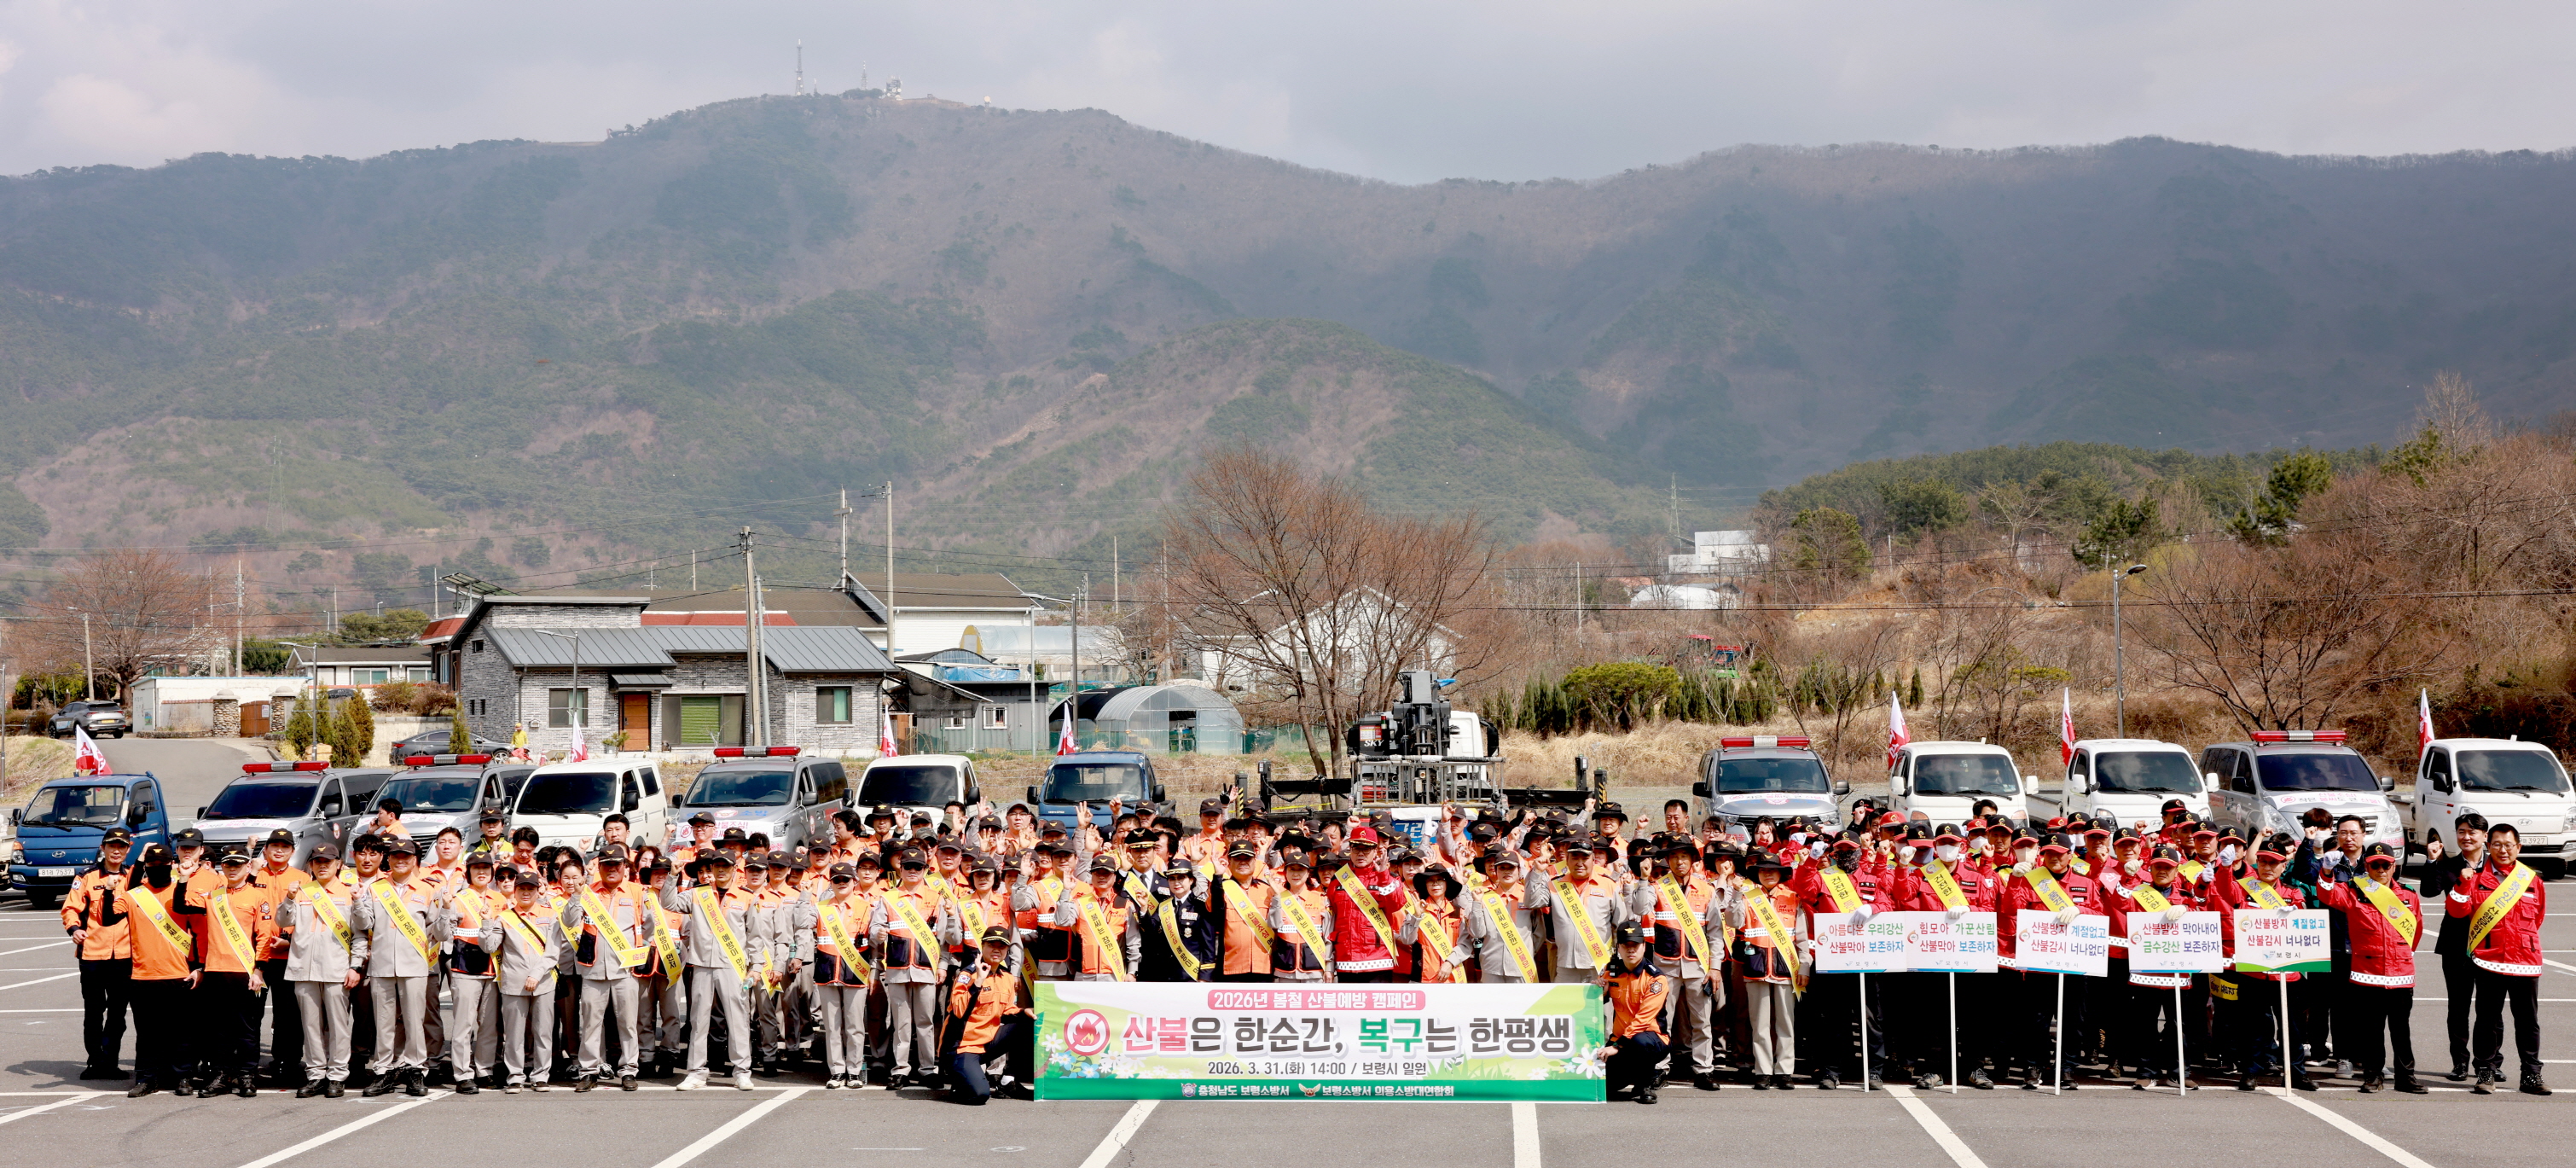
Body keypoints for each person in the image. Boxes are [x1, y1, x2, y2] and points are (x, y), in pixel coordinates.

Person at [2314, 843, 2426, 1093]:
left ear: (2393, 866)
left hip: (2400, 975)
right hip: (2368, 974)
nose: (2381, 869)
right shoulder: (2355, 893)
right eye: (2375, 865)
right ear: (2367, 867)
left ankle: (2406, 1077)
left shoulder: (2408, 895)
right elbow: (2327, 894)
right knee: (2371, 1031)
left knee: (2401, 1031)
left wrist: (2402, 956)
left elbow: (2416, 932)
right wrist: (2327, 871)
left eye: (2386, 864)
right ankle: (2373, 1076)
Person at [2448, 822, 2549, 1095]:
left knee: (2528, 1021)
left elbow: (2536, 919)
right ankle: (2485, 1072)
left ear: (2519, 847)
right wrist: (2462, 882)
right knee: (2487, 1020)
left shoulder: (2531, 880)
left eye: (2508, 845)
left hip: (2526, 961)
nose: (2503, 850)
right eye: (2497, 844)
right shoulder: (2476, 877)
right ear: (2488, 846)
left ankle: (2531, 1075)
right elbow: (2458, 912)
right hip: (2489, 958)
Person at [2212, 833, 2314, 1092]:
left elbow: (2303, 929)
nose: (2268, 867)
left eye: (2274, 862)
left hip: (2287, 974)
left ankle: (2296, 1072)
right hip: (2254, 973)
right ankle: (2251, 1071)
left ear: (2283, 866)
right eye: (2264, 861)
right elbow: (2225, 891)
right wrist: (2224, 869)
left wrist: (2296, 915)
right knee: (2253, 1027)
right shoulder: (2245, 886)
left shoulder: (2293, 893)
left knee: (2292, 1028)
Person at [176, 847, 278, 1097]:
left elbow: (264, 936)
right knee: (219, 1028)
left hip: (244, 973)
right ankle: (221, 1074)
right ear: (223, 867)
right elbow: (181, 906)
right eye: (228, 864)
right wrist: (183, 878)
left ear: (247, 867)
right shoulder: (212, 897)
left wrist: (259, 970)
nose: (233, 869)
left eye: (238, 864)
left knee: (247, 1029)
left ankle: (246, 1075)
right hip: (216, 972)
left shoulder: (257, 897)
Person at [352, 839, 450, 1097]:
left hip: (415, 964)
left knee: (414, 1021)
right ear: (389, 859)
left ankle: (416, 1070)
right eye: (395, 856)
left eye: (406, 856)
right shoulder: (375, 889)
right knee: (383, 1022)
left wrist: (447, 910)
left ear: (414, 860)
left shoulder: (428, 890)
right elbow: (364, 923)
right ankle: (383, 1071)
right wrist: (359, 902)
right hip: (382, 964)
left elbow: (438, 932)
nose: (400, 860)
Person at [666, 851, 770, 1091]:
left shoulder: (747, 897)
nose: (721, 870)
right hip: (702, 965)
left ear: (735, 868)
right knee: (698, 1020)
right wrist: (673, 876)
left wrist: (756, 968)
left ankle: (742, 1071)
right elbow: (669, 903)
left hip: (733, 967)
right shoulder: (698, 894)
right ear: (712, 868)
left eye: (726, 866)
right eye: (717, 866)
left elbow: (755, 936)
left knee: (738, 1019)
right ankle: (696, 1072)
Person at [560, 843, 655, 1090]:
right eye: (607, 865)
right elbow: (569, 921)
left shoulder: (637, 892)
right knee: (590, 1023)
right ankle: (589, 1070)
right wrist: (577, 895)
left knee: (627, 1023)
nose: (612, 869)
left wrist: (639, 950)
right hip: (593, 969)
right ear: (599, 867)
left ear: (625, 867)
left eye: (616, 865)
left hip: (625, 970)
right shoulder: (588, 891)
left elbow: (650, 926)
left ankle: (628, 1070)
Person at [107, 844, 196, 1096]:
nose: (157, 869)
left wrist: (198, 968)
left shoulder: (183, 891)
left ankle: (183, 1077)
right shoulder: (134, 894)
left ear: (172, 865)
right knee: (147, 1034)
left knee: (181, 1033)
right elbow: (107, 919)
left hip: (178, 974)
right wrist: (107, 893)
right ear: (145, 867)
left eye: (162, 865)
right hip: (143, 975)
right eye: (152, 865)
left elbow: (200, 932)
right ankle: (147, 1078)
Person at [279, 845, 359, 1096]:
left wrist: (355, 965)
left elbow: (359, 935)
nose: (322, 865)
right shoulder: (302, 891)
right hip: (304, 968)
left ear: (338, 864)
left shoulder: (349, 893)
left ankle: (337, 1075)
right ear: (310, 865)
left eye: (328, 861)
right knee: (310, 1026)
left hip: (336, 968)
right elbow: (282, 921)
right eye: (317, 861)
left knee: (338, 1025)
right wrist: (289, 898)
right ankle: (316, 1074)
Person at [2416, 811, 2487, 1080]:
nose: (2466, 837)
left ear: (2484, 837)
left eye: (2472, 832)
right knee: (2458, 1007)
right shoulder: (2448, 864)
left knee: (2489, 1007)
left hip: (2491, 944)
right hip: (2456, 943)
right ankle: (2459, 1063)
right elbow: (2429, 891)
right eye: (2461, 832)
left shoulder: (2498, 866)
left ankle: (2490, 1063)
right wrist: (2433, 860)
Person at [873, 846, 951, 1088]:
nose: (913, 871)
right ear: (900, 868)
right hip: (897, 969)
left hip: (927, 969)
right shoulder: (888, 897)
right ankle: (901, 1070)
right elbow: (875, 929)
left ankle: (928, 1070)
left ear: (926, 870)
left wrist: (943, 966)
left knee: (926, 1021)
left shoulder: (937, 898)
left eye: (918, 867)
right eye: (908, 866)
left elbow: (946, 940)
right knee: (901, 1022)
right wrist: (879, 933)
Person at [64, 826, 135, 1080]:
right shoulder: (87, 877)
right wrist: (74, 928)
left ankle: (111, 1061)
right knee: (94, 1012)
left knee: (117, 1014)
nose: (116, 851)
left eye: (122, 846)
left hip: (125, 957)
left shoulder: (135, 877)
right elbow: (70, 908)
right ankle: (95, 1060)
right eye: (112, 846)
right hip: (93, 955)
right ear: (103, 848)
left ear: (128, 849)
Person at [1731, 852, 1803, 1089]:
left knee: (1785, 1023)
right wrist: (1734, 894)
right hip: (1756, 967)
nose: (1768, 874)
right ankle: (1762, 1071)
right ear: (1757, 874)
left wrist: (1805, 966)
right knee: (1759, 1023)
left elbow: (1801, 937)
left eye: (1772, 870)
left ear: (1781, 874)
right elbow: (1733, 921)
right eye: (1763, 870)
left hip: (1786, 968)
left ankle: (1784, 1071)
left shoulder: (1793, 898)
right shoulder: (1748, 897)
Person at [941, 927, 1033, 1105]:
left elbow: (1007, 1011)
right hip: (962, 1047)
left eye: (1002, 946)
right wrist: (978, 981)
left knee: (1028, 1022)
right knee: (980, 1096)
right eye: (992, 945)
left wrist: (1024, 1012)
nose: (997, 949)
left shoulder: (1006, 977)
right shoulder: (967, 974)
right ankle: (960, 1081)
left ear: (1007, 950)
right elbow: (959, 1011)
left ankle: (1008, 1081)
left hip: (987, 1043)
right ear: (982, 946)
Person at [490, 874, 564, 1092]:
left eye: (530, 889)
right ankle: (515, 1075)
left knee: (543, 1031)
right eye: (521, 888)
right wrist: (486, 921)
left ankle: (541, 1075)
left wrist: (536, 974)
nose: (525, 893)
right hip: (513, 982)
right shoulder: (504, 917)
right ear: (515, 890)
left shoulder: (550, 915)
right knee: (514, 1033)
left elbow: (553, 953)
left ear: (537, 890)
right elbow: (490, 946)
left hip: (543, 981)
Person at [247, 828, 309, 1086]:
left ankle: (287, 1062)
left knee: (288, 1016)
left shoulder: (303, 878)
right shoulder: (254, 874)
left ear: (292, 851)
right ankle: (247, 1065)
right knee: (252, 1014)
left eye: (285, 846)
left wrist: (289, 940)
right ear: (266, 849)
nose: (280, 850)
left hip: (288, 955)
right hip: (256, 958)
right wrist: (251, 867)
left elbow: (309, 916)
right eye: (275, 845)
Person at [812, 862, 874, 1090]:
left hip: (856, 972)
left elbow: (874, 943)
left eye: (845, 880)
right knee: (832, 1025)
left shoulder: (867, 907)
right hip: (827, 972)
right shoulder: (821, 907)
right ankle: (837, 1070)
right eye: (836, 880)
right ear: (831, 882)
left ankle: (855, 1071)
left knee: (855, 1026)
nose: (841, 883)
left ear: (854, 881)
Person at [1600, 922, 1668, 1104]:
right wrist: (1601, 993)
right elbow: (1598, 1003)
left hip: (1651, 1039)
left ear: (1644, 947)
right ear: (1619, 948)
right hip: (1620, 1039)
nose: (1631, 950)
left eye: (1635, 945)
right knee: (1604, 1087)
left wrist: (1616, 1047)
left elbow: (1643, 1020)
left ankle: (1645, 1085)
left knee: (1641, 1041)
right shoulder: (1611, 971)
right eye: (1625, 945)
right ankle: (1652, 1074)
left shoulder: (1656, 979)